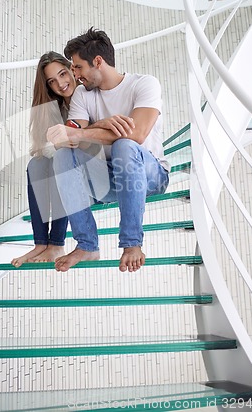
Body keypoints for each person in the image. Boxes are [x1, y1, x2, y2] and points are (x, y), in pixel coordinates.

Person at [46, 28, 170, 273]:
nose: (74, 74)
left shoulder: (144, 84)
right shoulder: (83, 95)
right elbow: (67, 140)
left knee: (125, 145)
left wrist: (82, 132)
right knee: (62, 156)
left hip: (150, 177)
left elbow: (137, 134)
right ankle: (87, 244)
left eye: (78, 67)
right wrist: (100, 124)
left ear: (98, 62)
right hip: (109, 179)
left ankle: (132, 243)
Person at [11, 52, 78, 267]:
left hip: (90, 165)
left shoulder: (88, 95)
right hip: (67, 162)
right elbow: (43, 148)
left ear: (71, 70)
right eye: (52, 81)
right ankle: (41, 242)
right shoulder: (54, 108)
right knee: (36, 164)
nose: (61, 83)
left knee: (61, 161)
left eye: (63, 74)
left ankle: (56, 243)